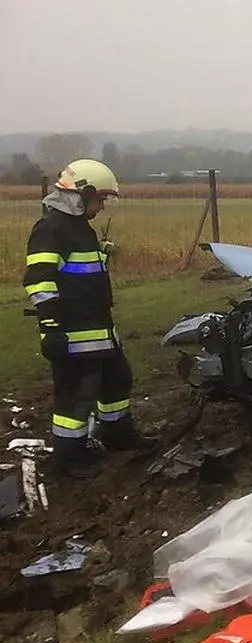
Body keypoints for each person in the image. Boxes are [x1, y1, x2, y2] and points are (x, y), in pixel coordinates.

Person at [23, 159, 156, 478]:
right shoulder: (51, 229)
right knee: (77, 395)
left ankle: (117, 435)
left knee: (116, 379)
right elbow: (39, 280)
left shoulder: (79, 228)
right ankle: (69, 458)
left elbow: (81, 274)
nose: (102, 207)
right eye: (101, 200)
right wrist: (51, 327)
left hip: (98, 329)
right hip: (72, 333)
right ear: (82, 194)